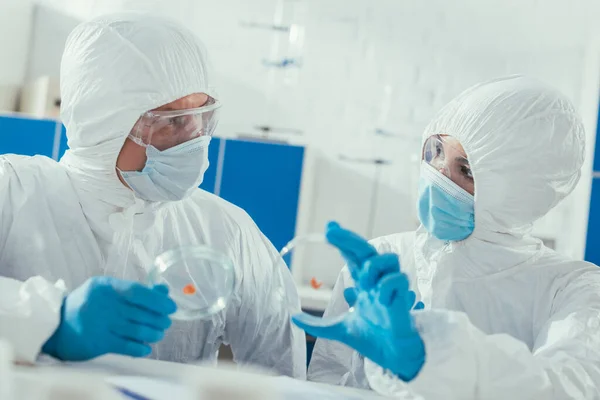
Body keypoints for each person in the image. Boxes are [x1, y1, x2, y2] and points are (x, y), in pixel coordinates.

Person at [0, 12, 305, 378]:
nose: (194, 141)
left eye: (201, 117)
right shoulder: (13, 192)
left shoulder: (227, 233)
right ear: (104, 126)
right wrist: (46, 322)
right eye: (172, 121)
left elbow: (285, 378)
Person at [293, 76, 600, 398]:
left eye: (465, 169)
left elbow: (571, 385)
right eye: (436, 151)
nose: (437, 174)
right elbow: (326, 381)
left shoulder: (572, 288)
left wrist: (429, 358)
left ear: (519, 194)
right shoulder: (382, 261)